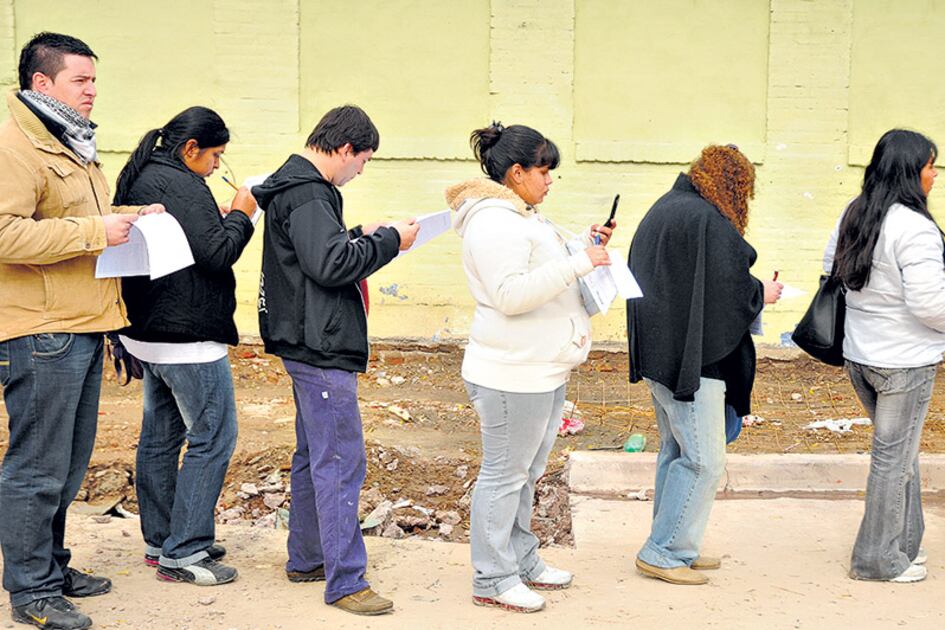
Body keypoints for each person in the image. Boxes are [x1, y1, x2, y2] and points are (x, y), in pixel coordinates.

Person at [0, 32, 163, 630]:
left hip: (84, 323)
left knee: (67, 465)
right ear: (42, 84)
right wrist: (97, 232)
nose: (92, 91)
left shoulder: (68, 141)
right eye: (80, 80)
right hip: (41, 330)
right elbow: (4, 235)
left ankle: (51, 566)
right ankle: (32, 591)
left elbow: (80, 220)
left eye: (94, 80)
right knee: (37, 466)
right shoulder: (15, 147)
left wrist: (127, 220)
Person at [252, 105, 419, 616]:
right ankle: (346, 580)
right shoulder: (308, 193)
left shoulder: (297, 188)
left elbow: (313, 254)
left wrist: (359, 232)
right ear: (344, 149)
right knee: (342, 460)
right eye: (363, 160)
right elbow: (329, 266)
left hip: (304, 339)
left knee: (314, 454)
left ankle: (308, 557)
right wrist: (390, 241)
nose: (361, 170)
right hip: (321, 345)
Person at [445, 122, 613, 613]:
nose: (550, 180)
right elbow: (511, 294)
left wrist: (580, 245)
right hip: (509, 374)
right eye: (544, 170)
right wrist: (580, 262)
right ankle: (493, 577)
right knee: (504, 474)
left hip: (539, 369)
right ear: (516, 172)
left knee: (525, 473)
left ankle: (521, 559)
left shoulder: (524, 216)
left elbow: (542, 272)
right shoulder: (494, 222)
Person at [113, 106, 257, 586]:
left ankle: (163, 539)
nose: (218, 166)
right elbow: (218, 253)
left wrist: (214, 220)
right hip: (187, 337)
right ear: (190, 149)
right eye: (215, 156)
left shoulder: (143, 175)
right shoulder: (182, 183)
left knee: (160, 437)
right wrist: (241, 213)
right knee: (214, 436)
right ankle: (187, 552)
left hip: (146, 333)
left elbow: (190, 239)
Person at [627, 145, 781, 586]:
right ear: (734, 186)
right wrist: (761, 294)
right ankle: (665, 550)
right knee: (705, 460)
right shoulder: (707, 221)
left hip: (661, 354)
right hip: (692, 365)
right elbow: (727, 290)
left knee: (676, 451)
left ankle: (673, 541)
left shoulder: (668, 207)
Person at [825, 129, 941, 583]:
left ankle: (904, 544)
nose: (935, 175)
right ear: (911, 172)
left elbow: (828, 270)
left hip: (861, 356)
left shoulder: (854, 213)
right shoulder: (914, 227)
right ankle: (877, 559)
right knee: (893, 460)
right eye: (931, 165)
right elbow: (931, 304)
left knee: (902, 453)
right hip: (903, 363)